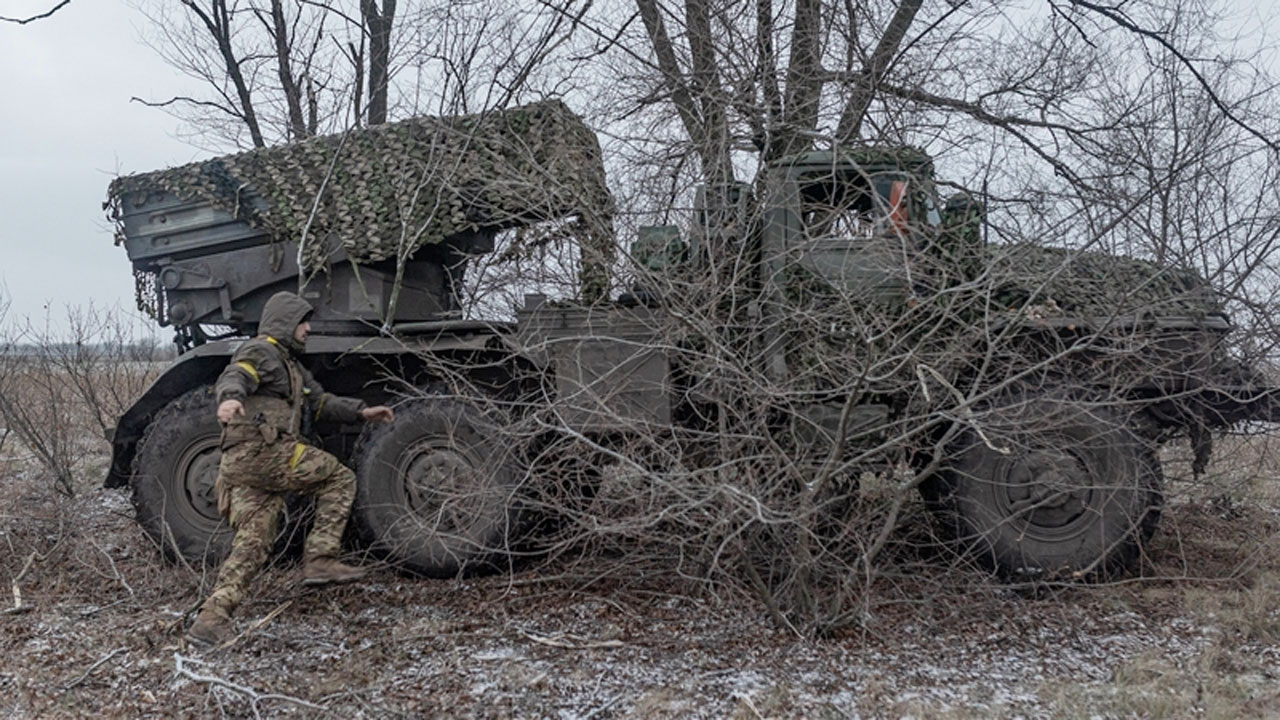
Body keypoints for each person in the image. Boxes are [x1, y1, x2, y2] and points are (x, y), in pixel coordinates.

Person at [186, 291, 395, 647]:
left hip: (246, 464)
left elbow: (321, 404)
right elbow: (237, 373)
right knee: (339, 478)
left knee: (253, 543)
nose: (308, 329)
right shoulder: (262, 352)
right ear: (285, 323)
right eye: (303, 322)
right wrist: (231, 398)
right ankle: (320, 558)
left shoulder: (291, 367)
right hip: (264, 453)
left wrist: (361, 412)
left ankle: (211, 620)